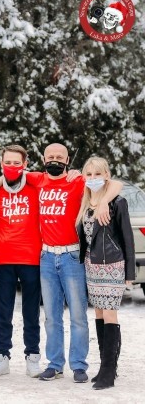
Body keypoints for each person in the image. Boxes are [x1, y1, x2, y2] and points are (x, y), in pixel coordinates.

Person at [0, 143, 123, 382]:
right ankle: (55, 363)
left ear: (67, 159)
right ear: (43, 158)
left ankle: (79, 365)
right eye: (50, 156)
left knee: (78, 315)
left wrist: (103, 202)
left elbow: (115, 183)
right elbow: (12, 171)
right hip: (47, 256)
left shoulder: (77, 181)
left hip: (72, 256)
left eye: (60, 157)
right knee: (51, 316)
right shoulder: (38, 180)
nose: (55, 160)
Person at [0, 145, 42, 379]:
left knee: (31, 311)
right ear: (1, 164)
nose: (12, 166)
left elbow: (49, 177)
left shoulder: (35, 186)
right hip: (5, 258)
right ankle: (2, 357)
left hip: (31, 258)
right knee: (3, 311)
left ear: (25, 165)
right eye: (8, 162)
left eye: (17, 163)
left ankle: (33, 357)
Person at [76, 157, 135, 390]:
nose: (92, 179)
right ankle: (105, 366)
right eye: (88, 174)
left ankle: (109, 372)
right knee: (99, 315)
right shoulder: (85, 202)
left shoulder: (117, 203)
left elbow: (127, 237)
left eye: (97, 174)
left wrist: (129, 271)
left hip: (112, 265)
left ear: (106, 176)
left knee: (110, 316)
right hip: (92, 266)